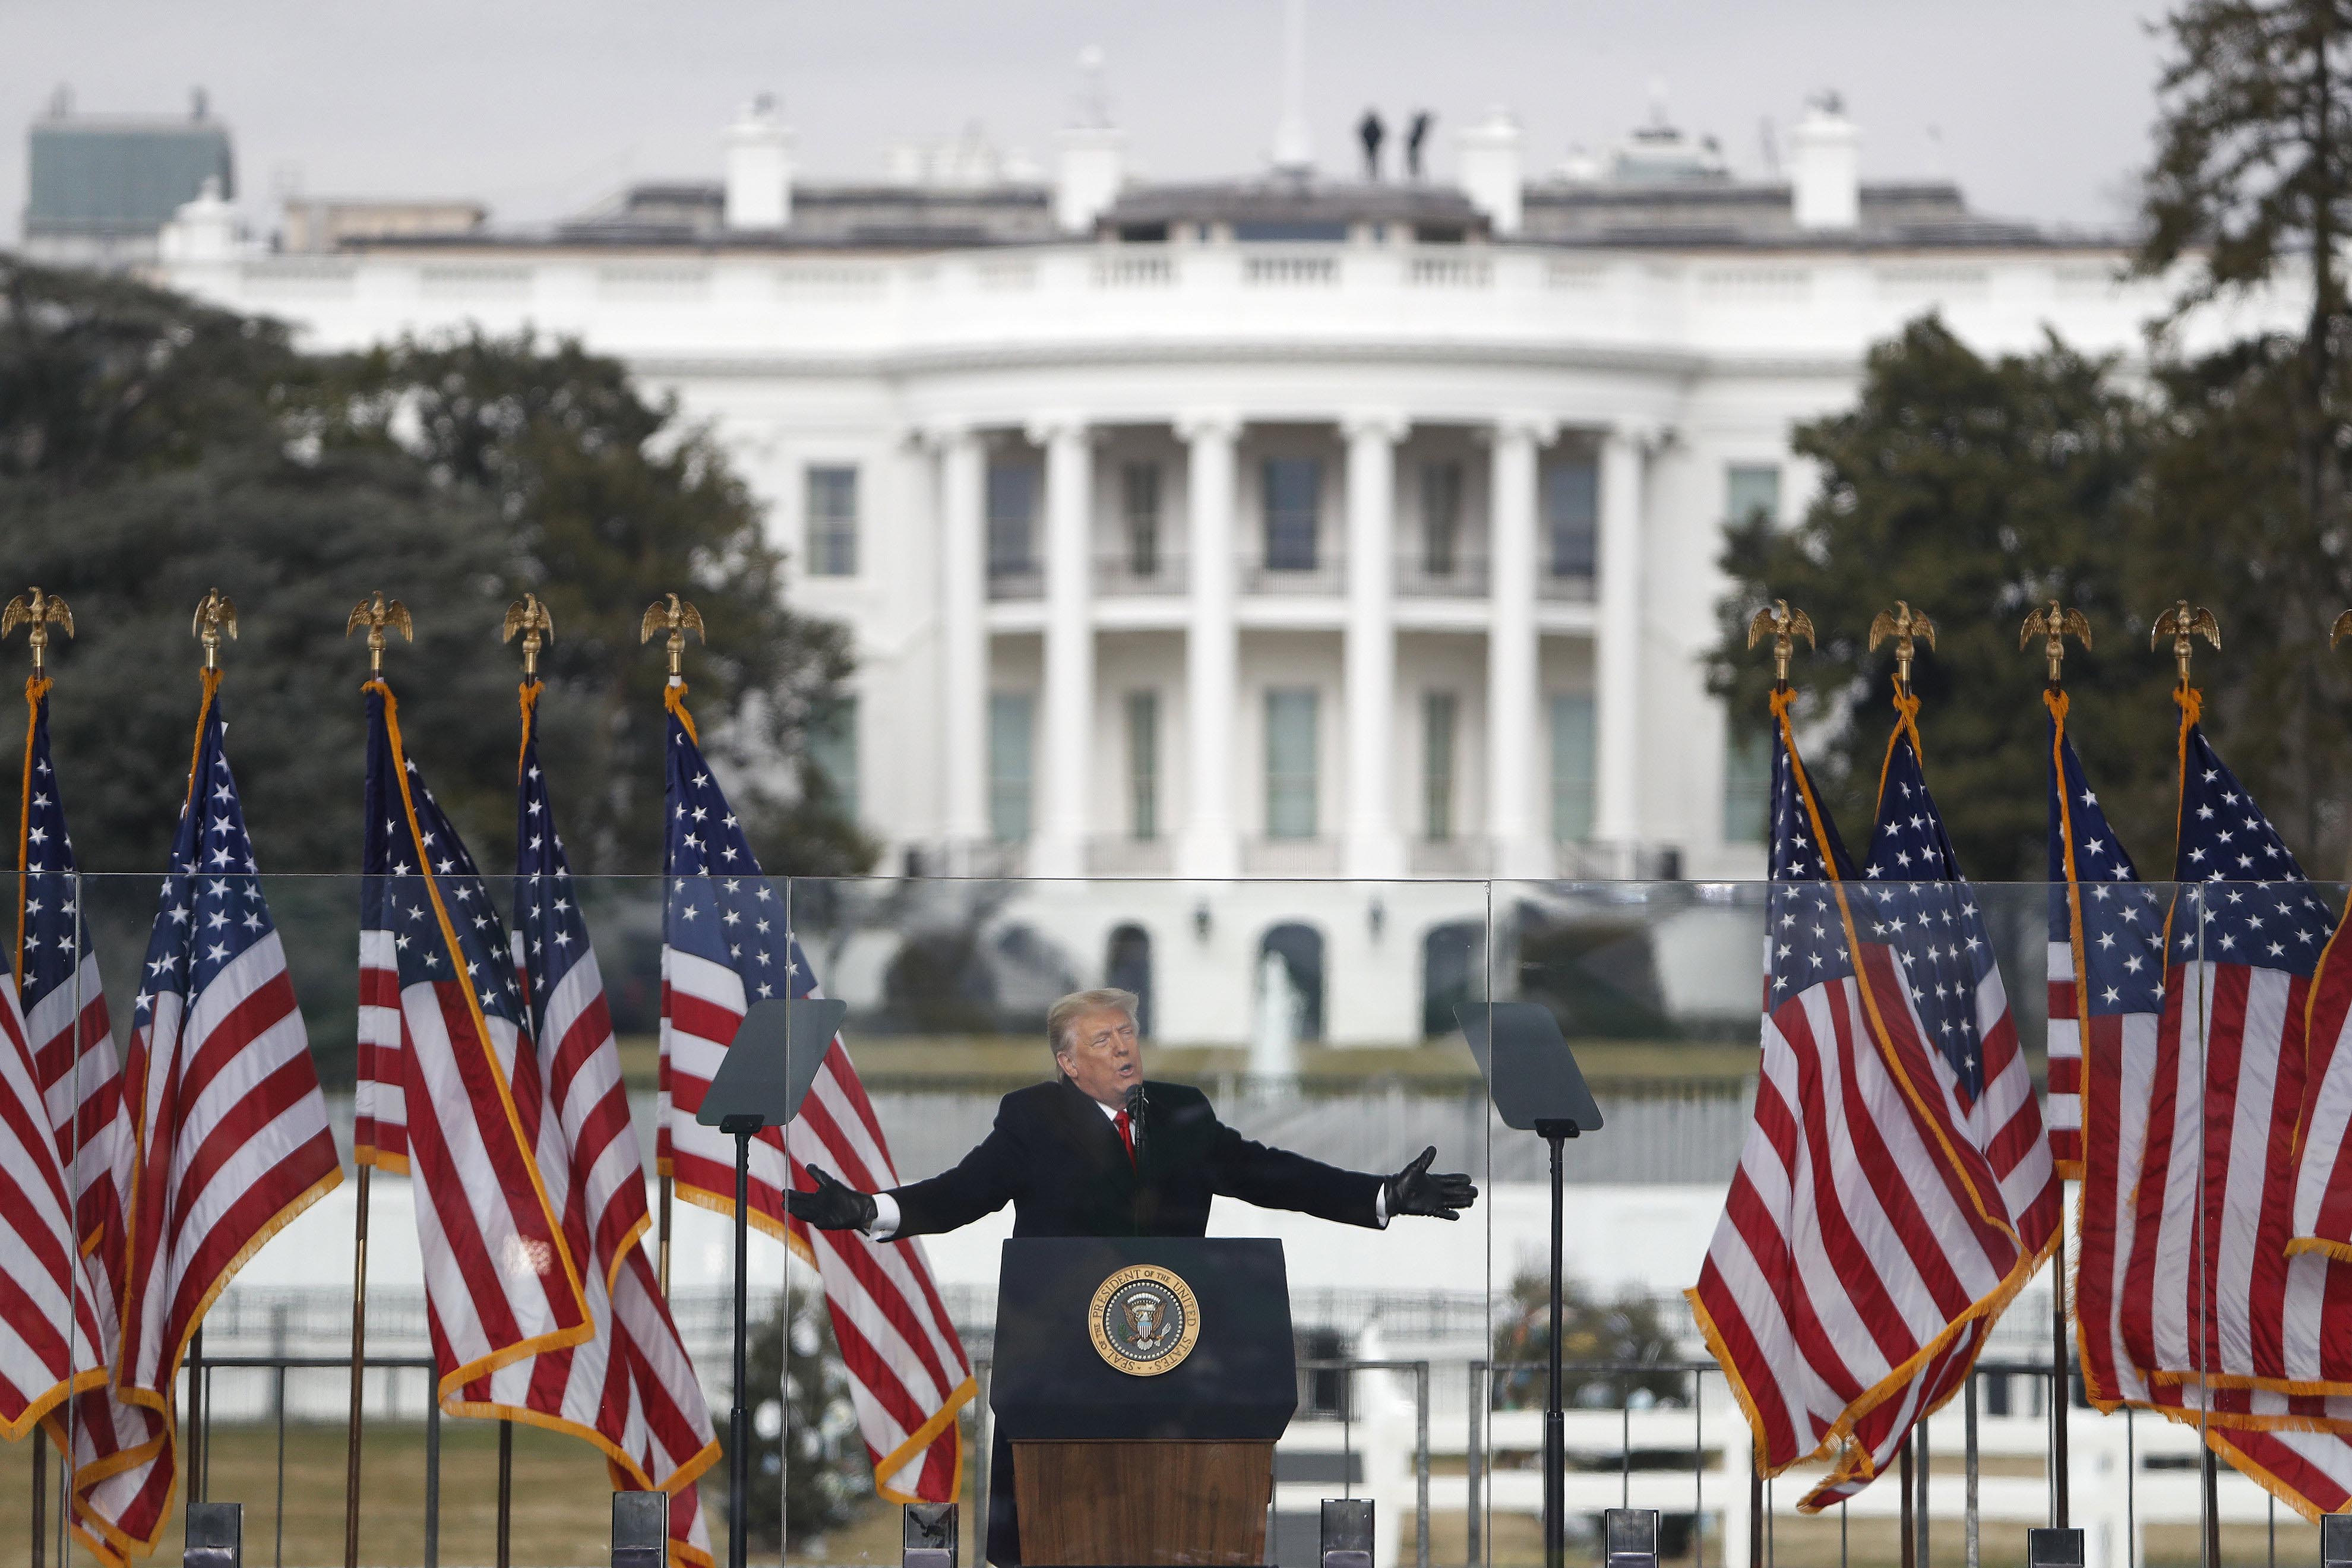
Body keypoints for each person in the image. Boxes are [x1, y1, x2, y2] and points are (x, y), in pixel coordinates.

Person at [788, 986, 1477, 1565]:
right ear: (1067, 1062)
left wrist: (1379, 1196)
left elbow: (1268, 1172)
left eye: (1126, 1033)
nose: (1123, 1048)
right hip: (1062, 1373)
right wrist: (869, 1209)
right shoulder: (1033, 1118)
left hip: (1176, 1374)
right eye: (1102, 1040)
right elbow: (963, 1192)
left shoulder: (1182, 1112)